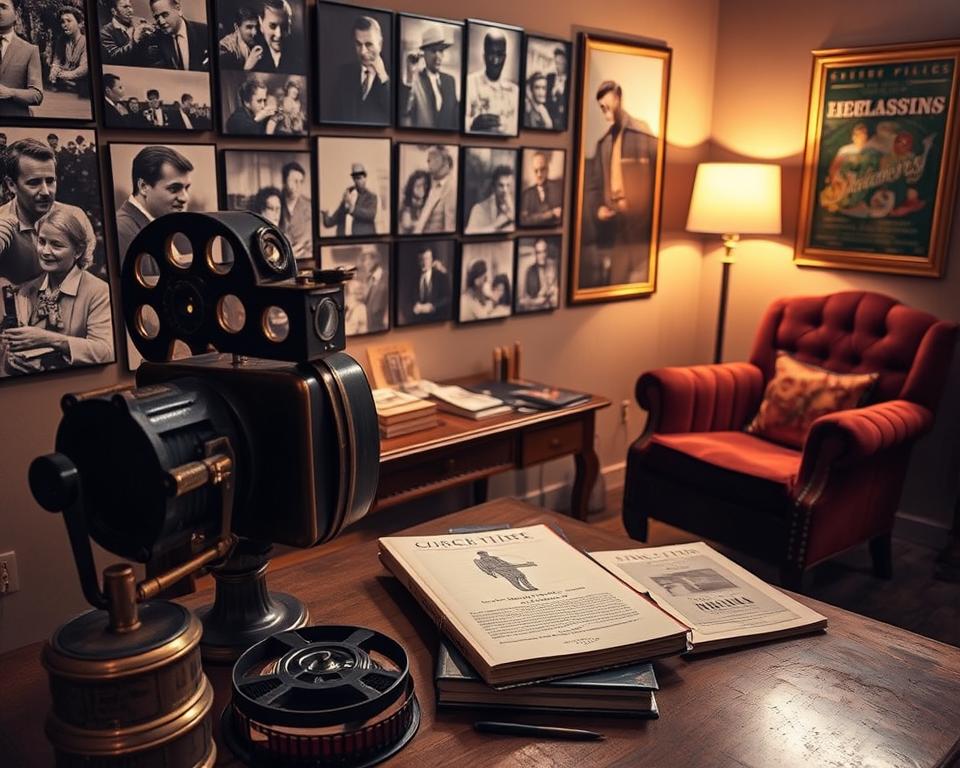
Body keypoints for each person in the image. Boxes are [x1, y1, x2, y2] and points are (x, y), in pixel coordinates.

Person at [2, 207, 113, 375]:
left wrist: (49, 339)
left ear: (78, 251)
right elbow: (10, 354)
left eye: (56, 245)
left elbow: (106, 352)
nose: (45, 251)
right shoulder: (26, 290)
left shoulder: (99, 292)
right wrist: (12, 360)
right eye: (42, 241)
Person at [584, 80, 658, 287]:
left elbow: (655, 177)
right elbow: (594, 186)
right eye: (601, 107)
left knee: (639, 282)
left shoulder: (643, 134)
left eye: (608, 104)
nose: (605, 111)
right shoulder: (604, 143)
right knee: (616, 281)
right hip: (615, 226)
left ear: (618, 98)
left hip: (640, 226)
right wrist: (598, 208)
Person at [0, 139, 90, 288]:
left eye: (50, 181)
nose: (46, 192)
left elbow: (84, 278)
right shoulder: (3, 221)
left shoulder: (76, 216)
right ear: (11, 185)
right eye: (34, 183)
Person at [115, 145, 194, 263]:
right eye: (174, 188)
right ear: (143, 187)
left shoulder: (160, 226)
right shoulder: (122, 230)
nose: (185, 198)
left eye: (186, 188)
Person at [398, 24, 458, 130]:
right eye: (433, 51)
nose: (438, 56)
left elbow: (455, 117)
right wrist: (410, 73)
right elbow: (404, 110)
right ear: (423, 54)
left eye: (441, 51)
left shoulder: (450, 81)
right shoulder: (415, 80)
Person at [334, 15, 390, 124]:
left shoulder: (393, 74)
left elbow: (396, 114)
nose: (363, 52)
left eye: (369, 44)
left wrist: (383, 77)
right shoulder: (343, 73)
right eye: (358, 44)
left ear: (380, 44)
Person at [465, 29, 518, 135]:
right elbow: (457, 123)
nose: (495, 60)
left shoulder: (515, 91)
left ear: (505, 57)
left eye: (500, 55)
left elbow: (517, 130)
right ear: (484, 56)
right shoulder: (469, 83)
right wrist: (473, 123)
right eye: (491, 54)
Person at [0, 0, 43, 118]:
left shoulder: (30, 50)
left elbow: (37, 95)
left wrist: (10, 93)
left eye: (3, 7)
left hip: (15, 121)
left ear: (16, 14)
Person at [143, 0, 209, 71]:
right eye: (156, 17)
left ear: (179, 9)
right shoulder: (157, 36)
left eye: (165, 15)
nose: (161, 22)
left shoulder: (204, 31)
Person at [321, 162, 378, 237]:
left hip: (363, 241)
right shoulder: (348, 194)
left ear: (365, 178)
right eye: (355, 178)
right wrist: (325, 213)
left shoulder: (371, 197)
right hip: (344, 242)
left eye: (359, 178)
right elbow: (331, 222)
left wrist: (352, 209)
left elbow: (370, 215)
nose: (357, 181)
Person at [248, 0, 302, 73]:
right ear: (261, 23)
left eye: (284, 26)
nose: (278, 34)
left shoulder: (299, 57)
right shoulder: (248, 54)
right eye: (272, 26)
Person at [413, 145, 456, 234]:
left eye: (430, 159)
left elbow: (450, 230)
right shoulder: (433, 186)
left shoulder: (452, 189)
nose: (427, 162)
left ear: (441, 161)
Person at [47, 7, 89, 97]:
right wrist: (53, 71)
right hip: (63, 82)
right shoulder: (61, 40)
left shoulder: (86, 41)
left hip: (79, 82)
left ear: (80, 24)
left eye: (69, 21)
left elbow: (83, 69)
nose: (64, 25)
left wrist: (63, 75)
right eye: (62, 22)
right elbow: (56, 60)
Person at [100, 0, 153, 66]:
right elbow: (114, 57)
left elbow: (151, 45)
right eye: (125, 7)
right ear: (114, 11)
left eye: (130, 6)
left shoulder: (140, 21)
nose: (130, 10)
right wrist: (135, 40)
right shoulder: (105, 32)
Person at [466, 165, 515, 234]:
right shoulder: (478, 208)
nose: (505, 190)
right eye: (501, 185)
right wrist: (499, 222)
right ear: (494, 187)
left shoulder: (516, 209)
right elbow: (469, 234)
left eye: (508, 185)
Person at [520, 150, 563, 227]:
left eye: (542, 169)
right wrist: (550, 214)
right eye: (536, 170)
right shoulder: (527, 194)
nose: (539, 174)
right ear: (532, 170)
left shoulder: (558, 188)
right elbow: (524, 220)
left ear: (548, 169)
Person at [280, 161, 311, 261]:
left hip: (303, 258)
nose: (298, 185)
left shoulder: (309, 206)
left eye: (301, 181)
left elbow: (308, 238)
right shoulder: (275, 202)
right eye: (294, 181)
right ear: (284, 182)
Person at [409, 246, 449, 323]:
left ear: (432, 260)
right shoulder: (413, 278)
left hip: (437, 319)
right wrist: (415, 306)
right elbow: (408, 298)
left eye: (427, 259)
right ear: (418, 261)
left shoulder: (441, 276)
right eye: (421, 259)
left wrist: (432, 306)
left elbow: (447, 298)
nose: (424, 263)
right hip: (417, 321)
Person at [218, 6, 259, 70]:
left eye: (256, 27)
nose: (255, 32)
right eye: (249, 27)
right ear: (236, 27)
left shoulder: (259, 40)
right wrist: (247, 67)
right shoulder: (225, 47)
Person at [521, 238, 556, 310]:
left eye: (544, 251)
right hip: (536, 309)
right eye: (539, 252)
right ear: (535, 254)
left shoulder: (552, 265)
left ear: (547, 252)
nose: (542, 255)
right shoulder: (530, 271)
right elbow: (529, 297)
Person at [360, 246, 387, 332]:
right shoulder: (367, 279)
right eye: (363, 260)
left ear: (376, 259)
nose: (365, 263)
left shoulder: (387, 277)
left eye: (368, 259)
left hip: (383, 328)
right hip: (370, 328)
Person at [397, 170, 431, 234]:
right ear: (411, 187)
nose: (422, 189)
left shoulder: (427, 202)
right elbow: (407, 224)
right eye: (418, 186)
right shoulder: (406, 205)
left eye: (424, 185)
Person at [546, 45, 568, 130]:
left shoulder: (569, 81)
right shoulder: (550, 77)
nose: (558, 66)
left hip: (561, 121)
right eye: (556, 63)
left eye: (561, 63)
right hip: (549, 116)